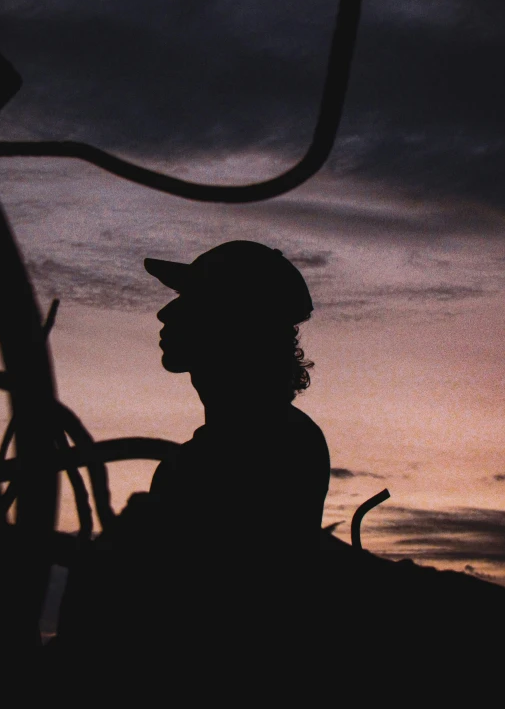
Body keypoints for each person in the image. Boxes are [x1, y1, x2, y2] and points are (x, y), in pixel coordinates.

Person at [55, 240, 330, 669]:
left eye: (191, 301)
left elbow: (194, 599)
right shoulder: (279, 437)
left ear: (234, 323)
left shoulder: (258, 447)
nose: (165, 313)